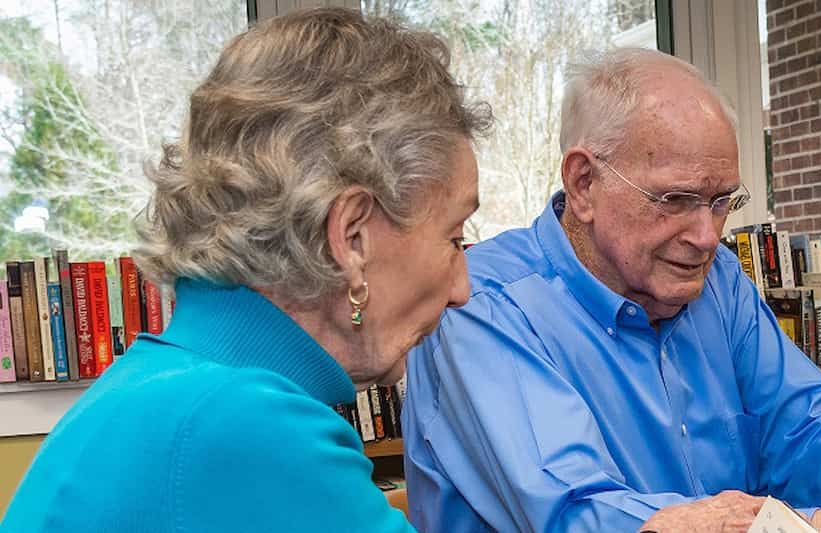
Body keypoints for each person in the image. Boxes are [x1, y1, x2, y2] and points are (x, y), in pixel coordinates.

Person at [402, 47, 821, 533]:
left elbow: (805, 430)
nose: (705, 233)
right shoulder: (482, 307)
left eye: (723, 202)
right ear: (583, 184)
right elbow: (583, 515)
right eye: (677, 199)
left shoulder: (715, 281)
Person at [0, 8, 488, 532]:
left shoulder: (166, 389)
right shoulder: (244, 424)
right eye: (454, 238)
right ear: (351, 236)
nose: (462, 289)